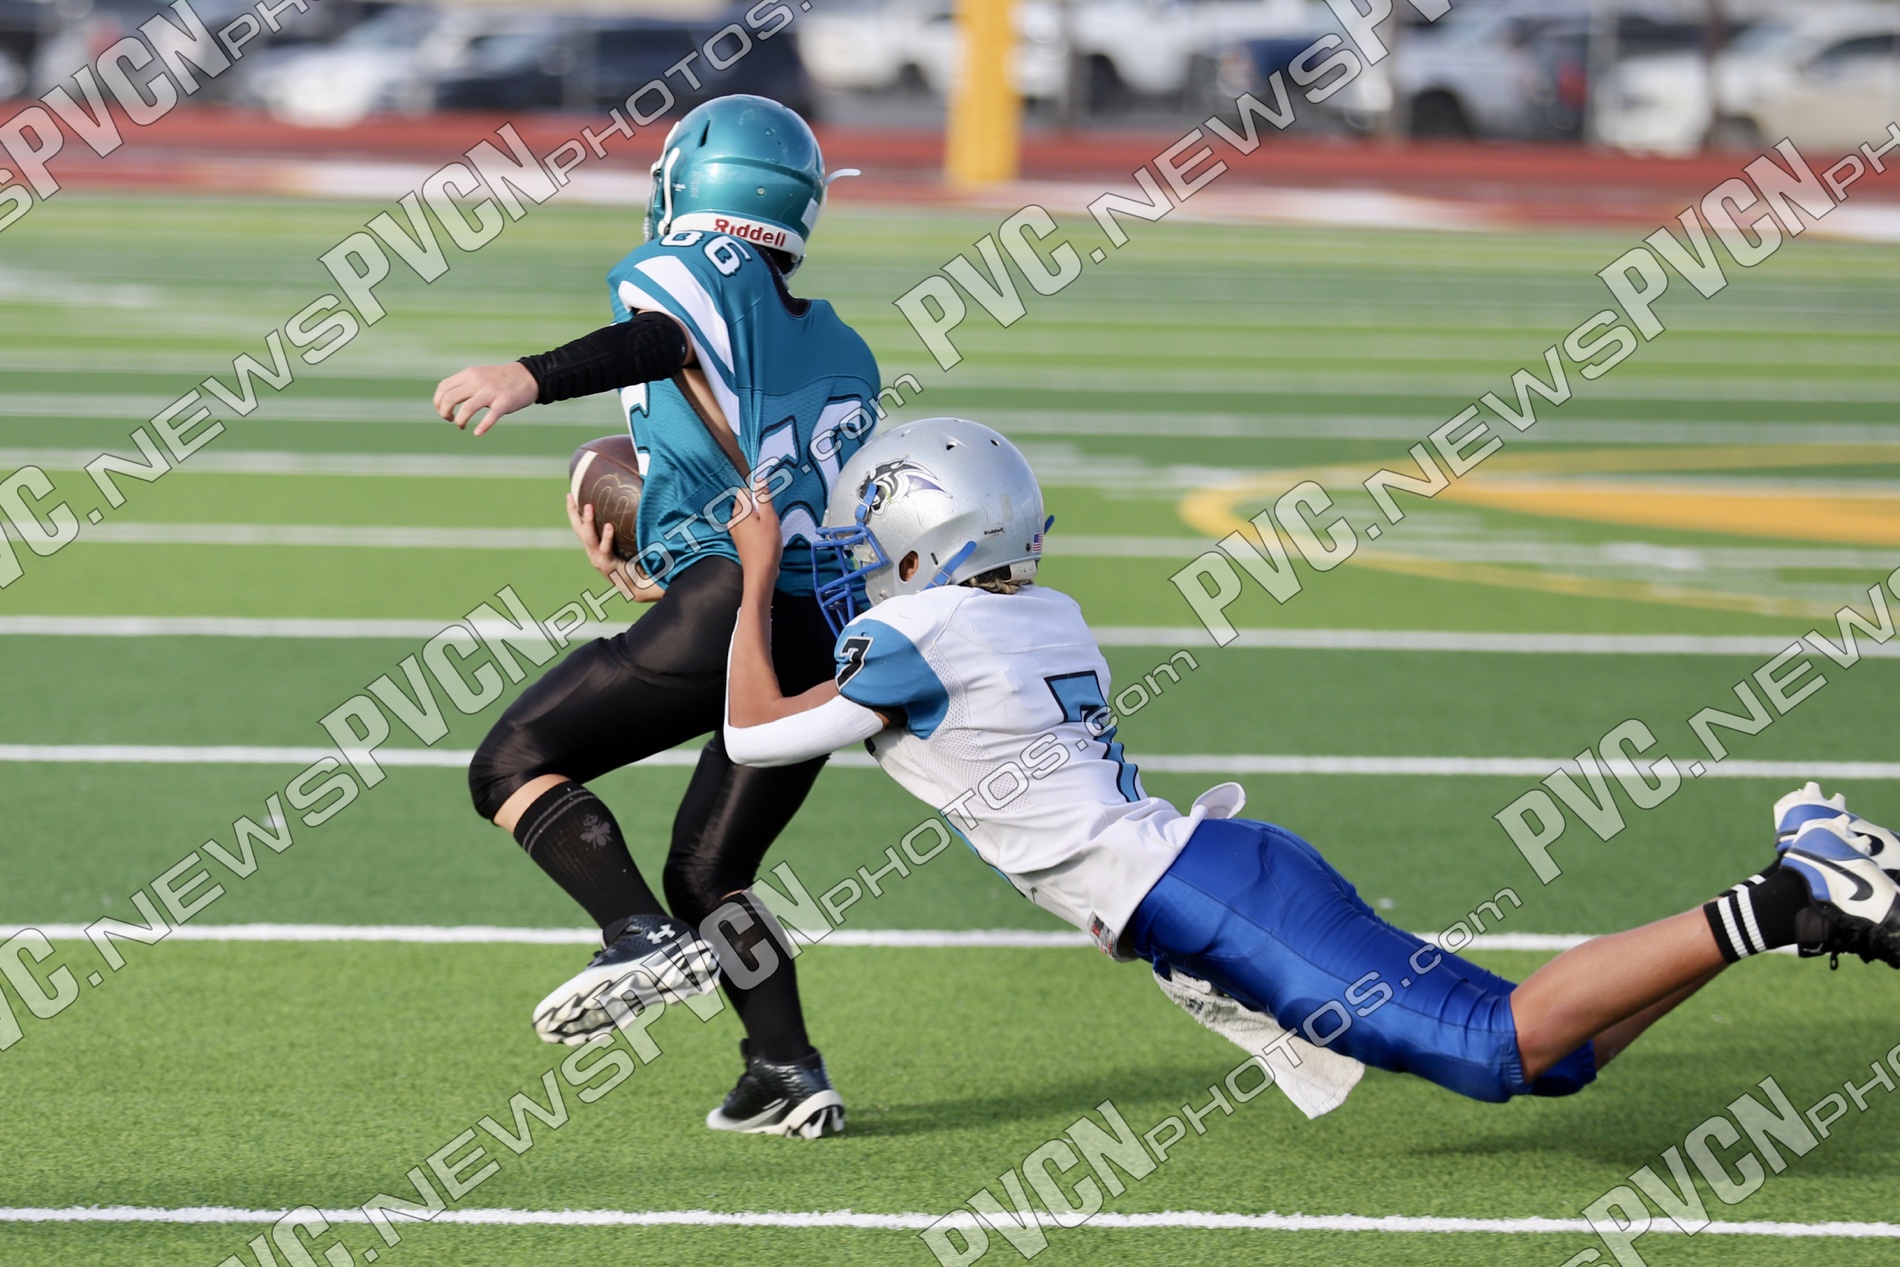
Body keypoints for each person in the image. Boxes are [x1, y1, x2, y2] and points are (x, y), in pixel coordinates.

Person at [718, 416, 1900, 1117]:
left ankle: (1790, 891)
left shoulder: (921, 633)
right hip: (1216, 875)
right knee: (1556, 1058)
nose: (864, 571)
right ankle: (1789, 904)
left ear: (927, 541)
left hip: (1204, 890)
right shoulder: (1039, 613)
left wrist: (751, 574)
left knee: (1499, 1046)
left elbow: (749, 732)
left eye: (876, 546)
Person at [429, 95, 878, 1138]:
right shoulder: (843, 346)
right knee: (712, 871)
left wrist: (529, 376)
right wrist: (669, 565)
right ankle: (786, 1068)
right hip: (815, 625)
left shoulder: (699, 274)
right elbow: (787, 489)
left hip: (729, 606)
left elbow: (659, 339)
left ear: (693, 186)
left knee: (510, 763)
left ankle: (632, 932)